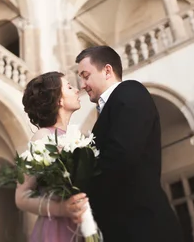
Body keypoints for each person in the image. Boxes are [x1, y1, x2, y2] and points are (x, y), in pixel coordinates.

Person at [76, 46, 182, 242]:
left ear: (107, 71)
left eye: (85, 76)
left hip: (144, 226)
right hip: (123, 226)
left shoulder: (130, 91)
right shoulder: (107, 109)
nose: (82, 84)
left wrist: (78, 184)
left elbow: (122, 155)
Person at [15, 71, 88, 242]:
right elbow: (22, 196)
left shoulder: (77, 137)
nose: (77, 90)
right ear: (59, 100)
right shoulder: (43, 137)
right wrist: (62, 209)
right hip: (58, 229)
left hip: (84, 225)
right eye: (69, 87)